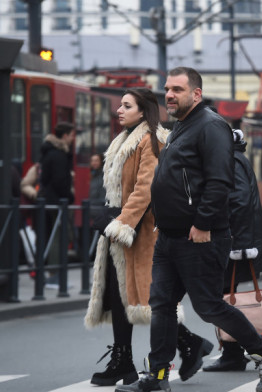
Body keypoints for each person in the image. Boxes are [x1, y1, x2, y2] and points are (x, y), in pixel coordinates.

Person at [116, 67, 262, 392]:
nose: (169, 94)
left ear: (196, 93)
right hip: (170, 236)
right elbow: (177, 180)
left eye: (177, 89)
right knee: (163, 305)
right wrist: (164, 220)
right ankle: (158, 376)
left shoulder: (211, 126)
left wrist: (202, 223)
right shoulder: (182, 126)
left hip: (200, 236)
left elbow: (220, 182)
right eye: (167, 89)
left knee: (209, 306)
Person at [85, 88, 213, 387]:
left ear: (143, 111)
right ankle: (124, 360)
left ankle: (189, 343)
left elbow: (145, 190)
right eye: (120, 105)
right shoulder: (124, 140)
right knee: (120, 295)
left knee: (151, 300)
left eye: (126, 106)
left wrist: (121, 223)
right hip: (123, 228)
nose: (119, 110)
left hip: (142, 230)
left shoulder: (151, 139)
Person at [203, 128, 262, 372]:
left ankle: (246, 349)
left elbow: (240, 201)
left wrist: (237, 244)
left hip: (233, 241)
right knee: (221, 295)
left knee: (220, 296)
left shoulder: (229, 159)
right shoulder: (232, 156)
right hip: (235, 239)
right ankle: (233, 352)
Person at [38, 122, 76, 288]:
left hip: (50, 200)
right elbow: (60, 181)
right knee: (59, 237)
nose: (73, 139)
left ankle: (53, 274)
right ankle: (54, 275)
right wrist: (68, 196)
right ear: (65, 135)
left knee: (56, 235)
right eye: (72, 135)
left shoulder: (50, 152)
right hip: (57, 202)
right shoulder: (59, 155)